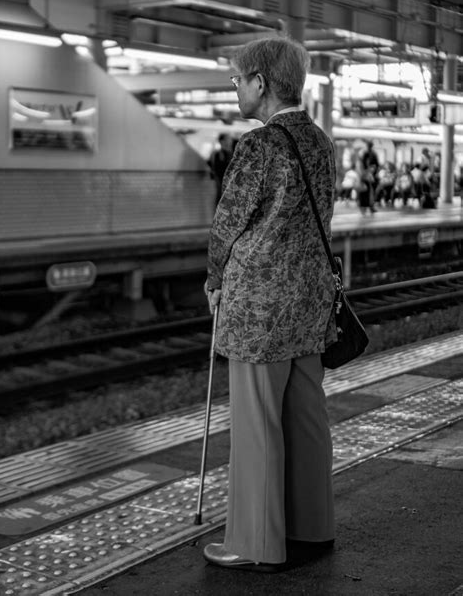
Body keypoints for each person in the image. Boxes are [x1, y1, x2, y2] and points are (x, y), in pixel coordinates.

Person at [203, 37, 336, 571]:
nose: (235, 87)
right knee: (306, 418)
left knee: (258, 425)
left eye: (237, 78)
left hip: (259, 311)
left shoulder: (259, 146)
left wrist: (215, 277)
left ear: (261, 82)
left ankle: (254, 544)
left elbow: (227, 224)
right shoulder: (322, 142)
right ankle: (311, 528)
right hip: (309, 305)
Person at [207, 132, 234, 205]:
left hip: (230, 186)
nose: (230, 142)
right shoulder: (216, 154)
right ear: (221, 141)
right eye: (228, 140)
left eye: (230, 140)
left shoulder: (233, 154)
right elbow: (212, 169)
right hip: (221, 183)